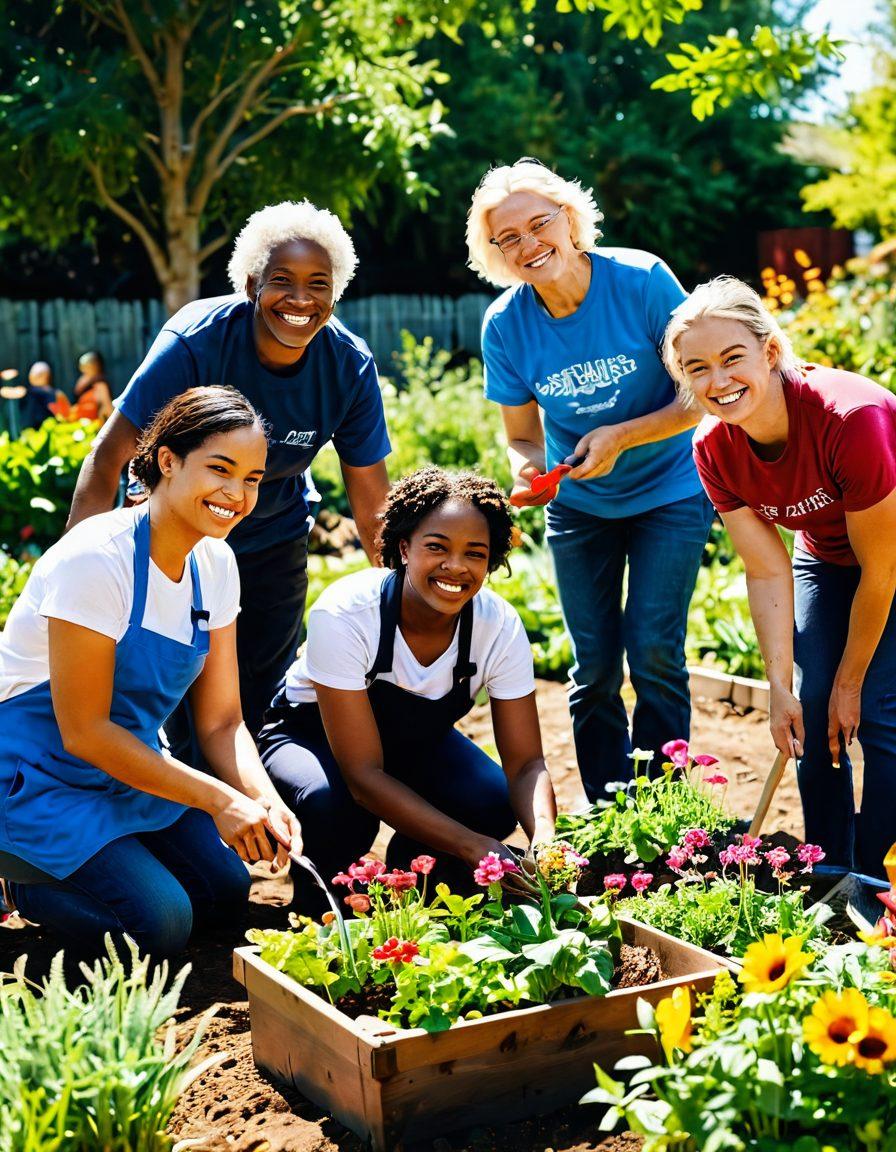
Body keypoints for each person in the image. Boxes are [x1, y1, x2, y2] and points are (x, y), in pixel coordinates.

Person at [67, 200, 391, 738]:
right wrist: (76, 571)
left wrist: (401, 598)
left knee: (258, 698)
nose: (300, 299)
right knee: (166, 693)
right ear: (250, 283)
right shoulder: (198, 340)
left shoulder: (347, 366)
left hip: (271, 535)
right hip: (171, 535)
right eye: (281, 280)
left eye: (318, 284)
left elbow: (372, 501)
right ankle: (167, 804)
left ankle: (246, 814)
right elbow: (109, 455)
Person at [0, 387, 302, 956]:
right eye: (221, 469)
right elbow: (84, 730)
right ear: (167, 460)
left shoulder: (215, 563)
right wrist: (219, 801)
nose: (237, 495)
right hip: (38, 777)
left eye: (254, 478)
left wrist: (263, 799)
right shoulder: (97, 558)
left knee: (226, 891)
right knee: (159, 925)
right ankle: (22, 881)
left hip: (128, 766)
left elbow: (223, 721)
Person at [467, 158, 713, 802]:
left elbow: (700, 397)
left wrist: (622, 435)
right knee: (594, 666)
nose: (528, 244)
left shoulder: (642, 281)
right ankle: (609, 808)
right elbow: (521, 431)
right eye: (507, 238)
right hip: (579, 506)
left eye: (538, 224)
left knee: (655, 652)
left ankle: (666, 808)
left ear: (570, 219)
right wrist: (526, 466)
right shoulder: (505, 325)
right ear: (494, 253)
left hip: (671, 492)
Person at [663, 276, 896, 877]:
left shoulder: (851, 418)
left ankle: (873, 881)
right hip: (826, 555)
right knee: (810, 714)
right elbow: (766, 570)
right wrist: (780, 690)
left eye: (732, 358)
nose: (718, 381)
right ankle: (831, 875)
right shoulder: (714, 447)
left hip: (890, 560)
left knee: (878, 710)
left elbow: (882, 567)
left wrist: (849, 681)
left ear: (769, 352)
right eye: (698, 368)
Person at [257, 467, 557, 904]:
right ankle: (317, 907)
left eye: (475, 553)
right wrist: (468, 843)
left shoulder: (497, 626)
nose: (455, 566)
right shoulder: (347, 613)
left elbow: (527, 763)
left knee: (491, 802)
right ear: (403, 547)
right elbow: (363, 775)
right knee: (337, 808)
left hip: (411, 743)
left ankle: (410, 884)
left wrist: (545, 838)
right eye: (436, 547)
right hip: (308, 738)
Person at [72, 351, 114, 424]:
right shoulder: (83, 381)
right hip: (82, 424)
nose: (83, 371)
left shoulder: (100, 385)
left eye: (86, 368)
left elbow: (108, 408)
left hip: (96, 425)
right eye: (82, 368)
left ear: (96, 366)